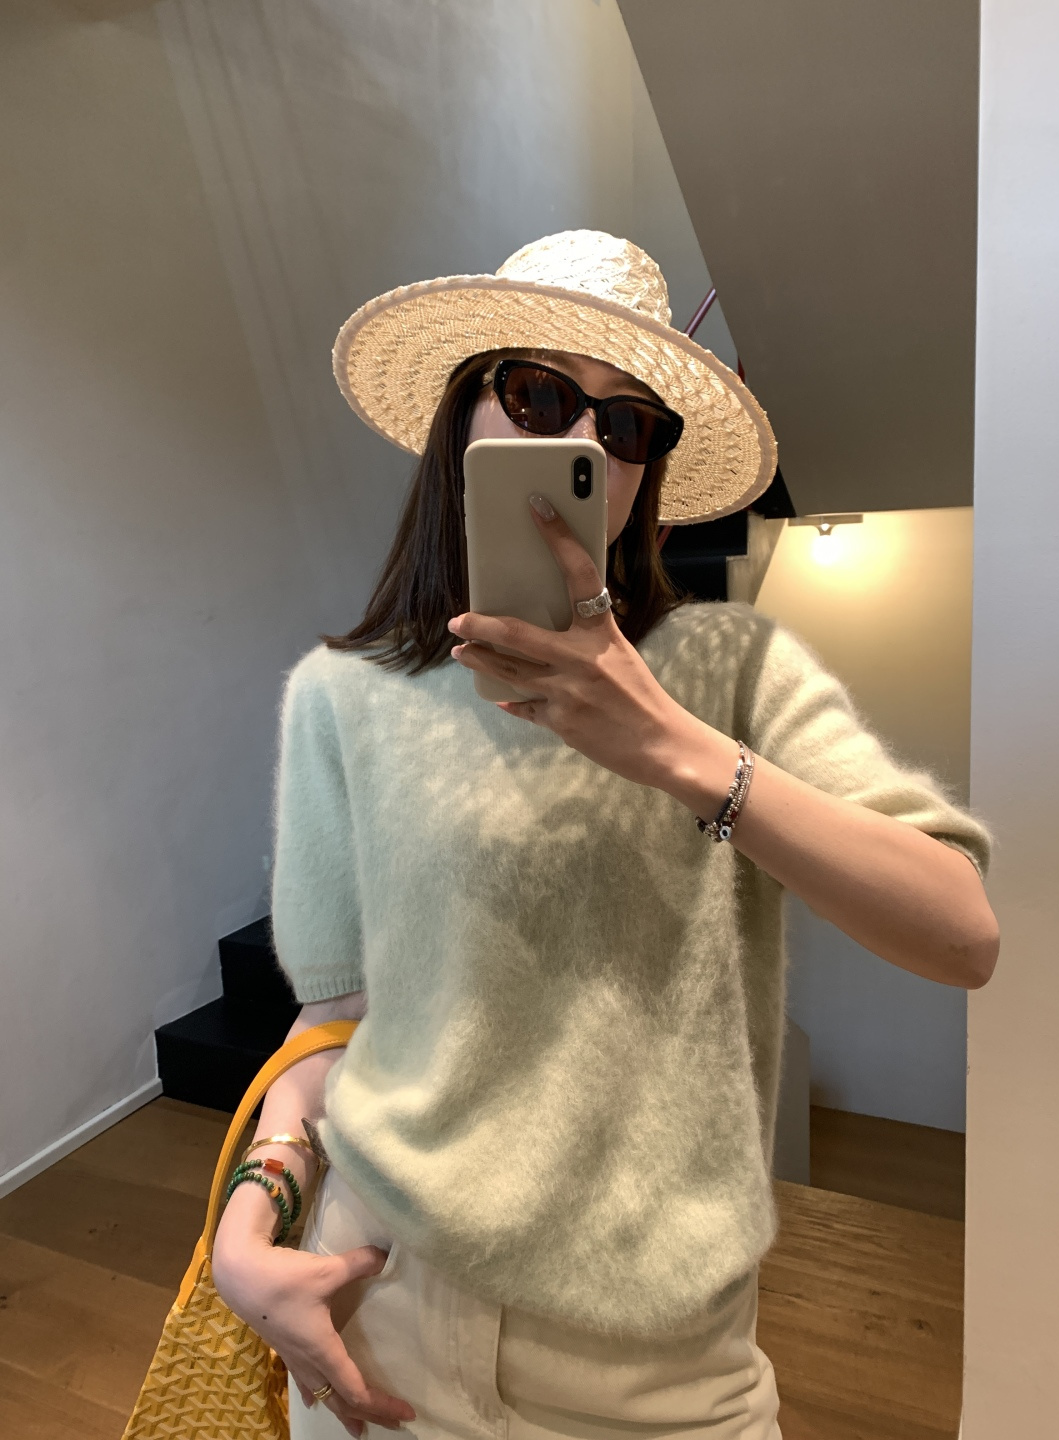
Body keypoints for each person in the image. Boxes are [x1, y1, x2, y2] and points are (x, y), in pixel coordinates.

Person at [211, 230, 998, 1440]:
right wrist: (255, 1214)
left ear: (644, 474)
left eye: (628, 425)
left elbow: (959, 931)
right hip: (377, 1319)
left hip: (652, 1377)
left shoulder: (735, 670)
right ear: (463, 418)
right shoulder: (340, 694)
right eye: (540, 395)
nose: (584, 441)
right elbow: (336, 1022)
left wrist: (673, 747)